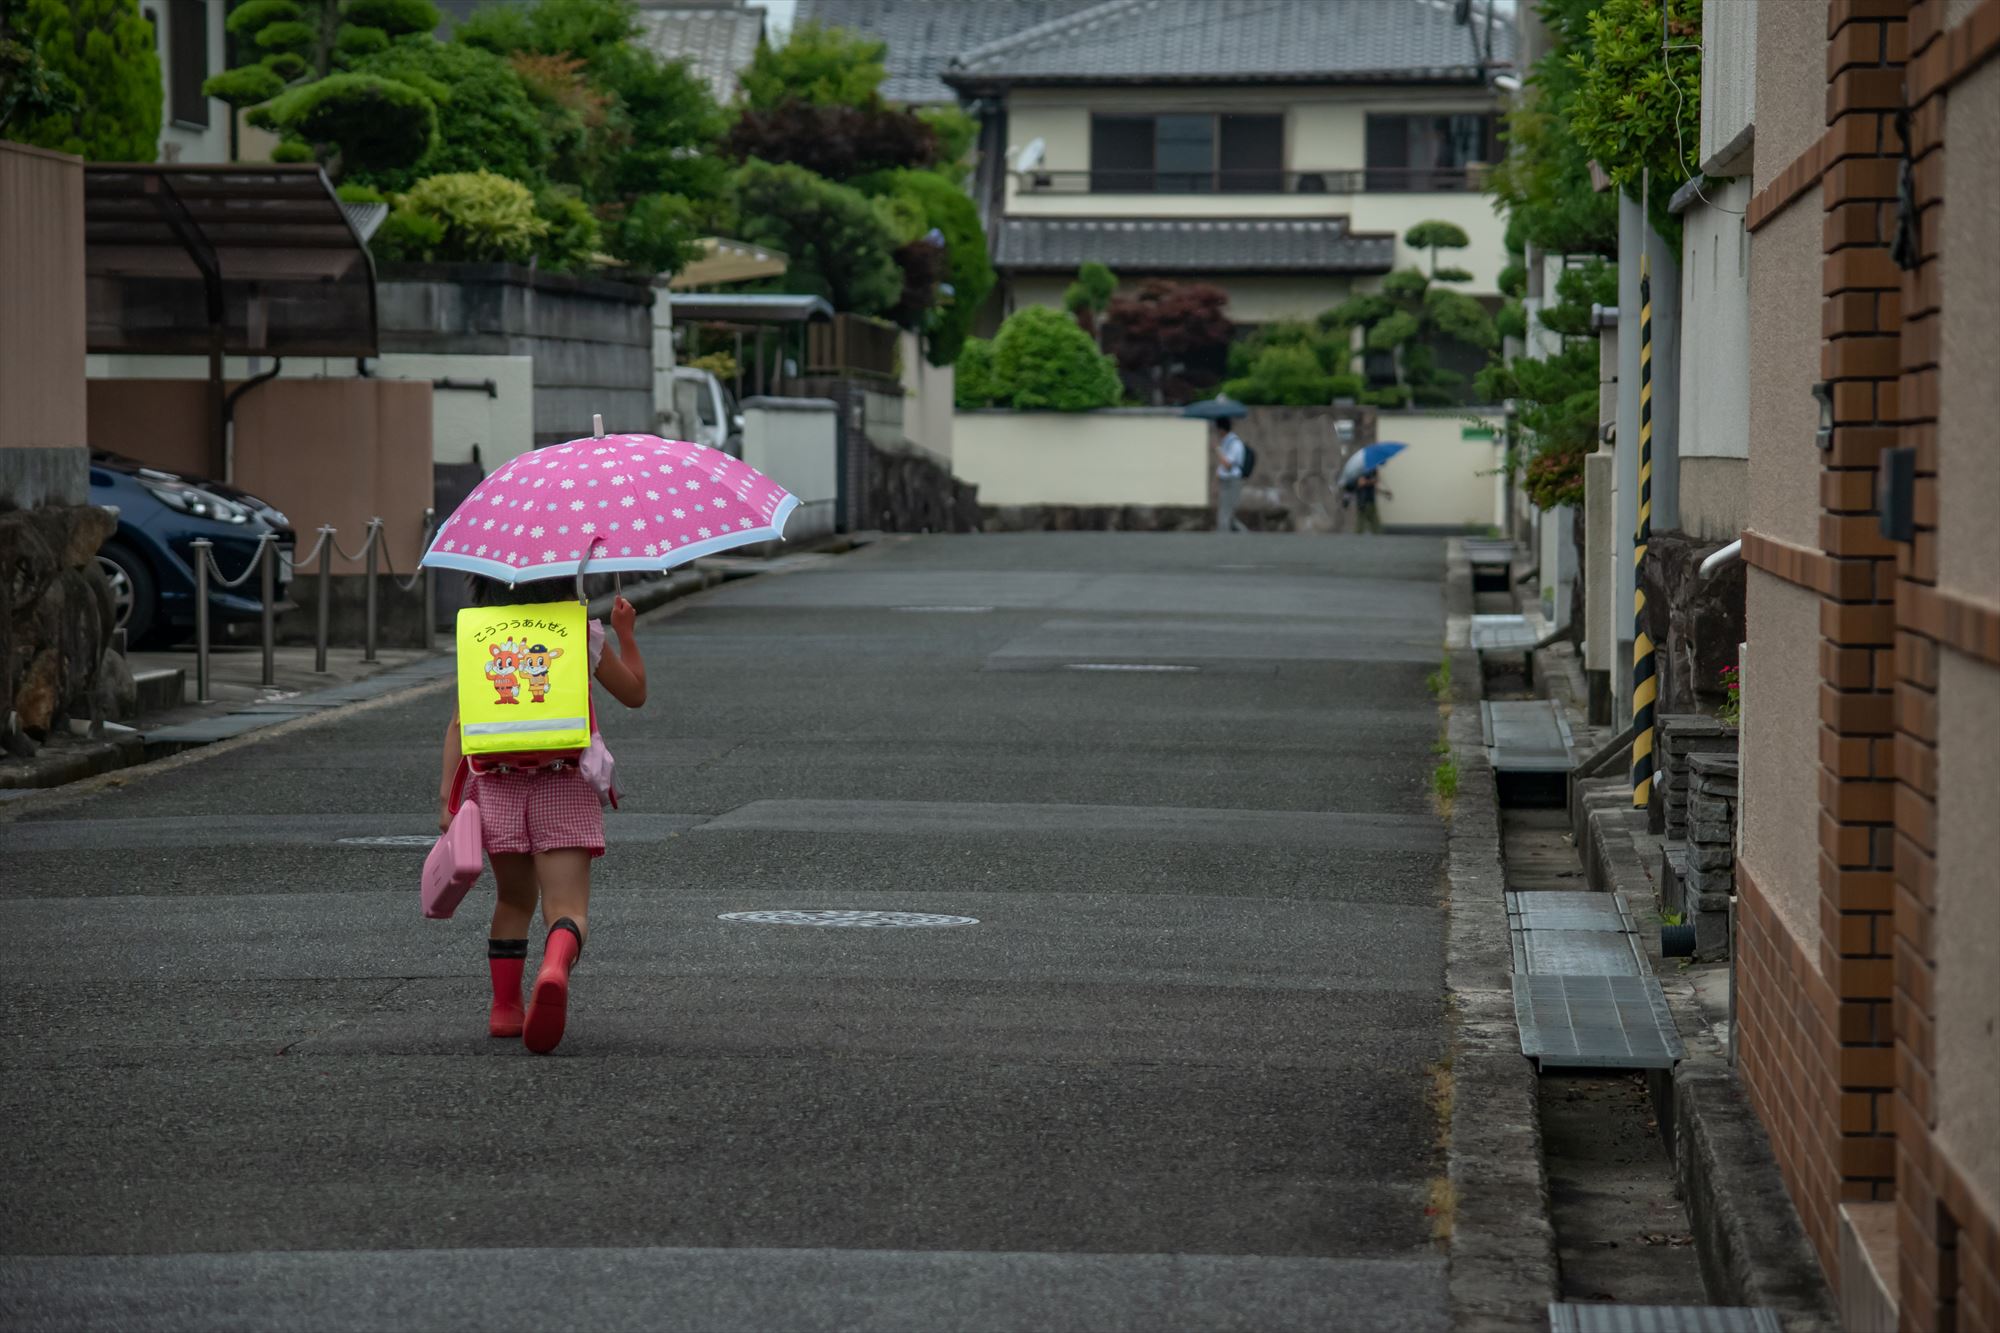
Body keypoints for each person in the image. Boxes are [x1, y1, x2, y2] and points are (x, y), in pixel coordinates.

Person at [438, 577, 648, 1054]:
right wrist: (625, 633)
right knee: (567, 907)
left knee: (513, 901)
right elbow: (634, 693)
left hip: (496, 783)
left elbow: (458, 723)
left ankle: (505, 1009)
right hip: (562, 779)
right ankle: (554, 966)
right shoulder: (581, 633)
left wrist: (447, 805)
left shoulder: (479, 636)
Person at [1214, 418, 1250, 532]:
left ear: (1221, 430)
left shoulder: (1235, 443)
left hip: (1232, 481)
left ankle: (1223, 540)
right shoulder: (1226, 443)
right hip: (1226, 480)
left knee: (1224, 514)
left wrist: (1217, 450)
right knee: (1229, 515)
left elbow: (1228, 465)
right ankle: (1246, 537)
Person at [1353, 467, 1392, 534]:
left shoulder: (1371, 473)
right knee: (1362, 524)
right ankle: (1357, 538)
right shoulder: (1362, 472)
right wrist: (1374, 480)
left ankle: (1376, 537)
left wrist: (1384, 492)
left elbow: (1374, 489)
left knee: (1374, 524)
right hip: (1364, 502)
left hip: (1370, 501)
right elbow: (1361, 483)